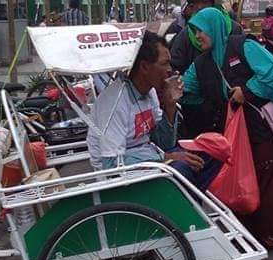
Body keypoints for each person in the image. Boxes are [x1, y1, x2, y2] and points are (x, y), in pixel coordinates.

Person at [183, 7, 273, 249]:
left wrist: (246, 91)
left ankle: (264, 230)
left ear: (215, 28)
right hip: (232, 133)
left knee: (268, 178)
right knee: (239, 181)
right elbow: (188, 89)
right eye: (194, 32)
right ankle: (246, 230)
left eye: (202, 31)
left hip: (263, 128)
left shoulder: (242, 46)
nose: (198, 36)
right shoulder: (200, 64)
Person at [87, 31, 222, 190]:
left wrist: (170, 105)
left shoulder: (150, 92)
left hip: (150, 157)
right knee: (182, 169)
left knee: (213, 153)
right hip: (123, 173)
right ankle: (187, 203)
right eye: (165, 63)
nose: (170, 70)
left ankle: (191, 201)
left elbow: (165, 143)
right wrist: (164, 158)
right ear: (144, 67)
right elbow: (111, 164)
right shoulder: (115, 101)